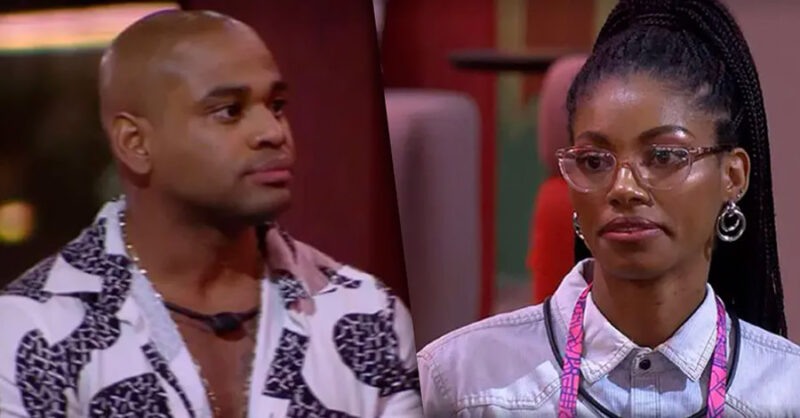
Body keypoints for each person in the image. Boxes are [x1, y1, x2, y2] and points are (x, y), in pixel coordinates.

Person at [0, 10, 421, 418]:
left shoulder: (367, 314)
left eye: (276, 105)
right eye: (229, 111)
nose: (273, 132)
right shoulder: (32, 331)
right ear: (135, 143)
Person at [418, 0, 800, 416]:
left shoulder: (786, 392)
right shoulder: (459, 383)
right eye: (594, 161)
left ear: (733, 176)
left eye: (664, 156)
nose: (623, 189)